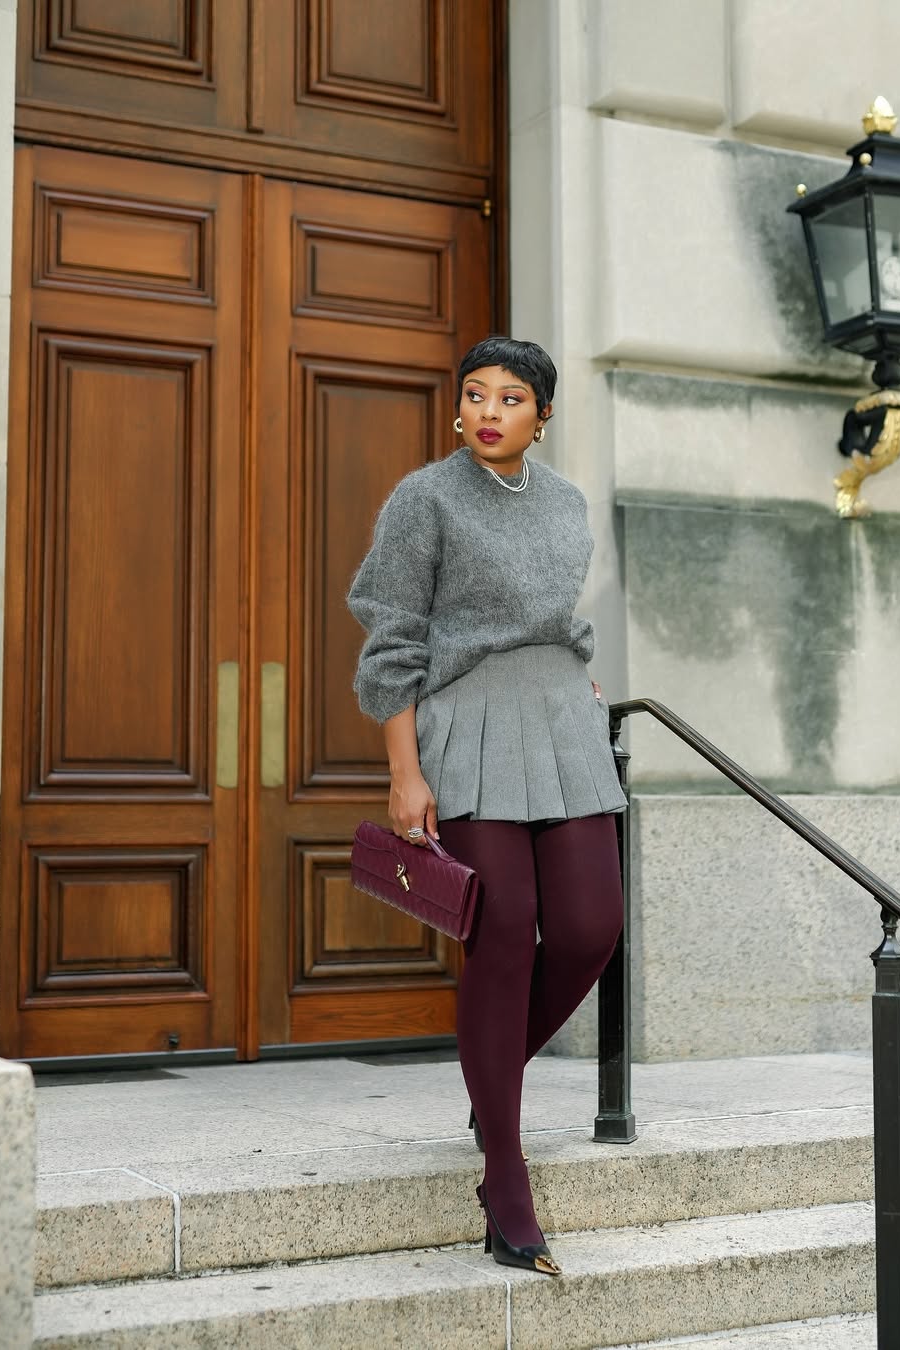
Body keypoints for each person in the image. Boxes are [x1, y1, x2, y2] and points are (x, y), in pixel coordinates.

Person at [348, 336, 626, 1277]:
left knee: (591, 929)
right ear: (458, 409)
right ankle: (504, 1188)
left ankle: (488, 1077)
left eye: (512, 397)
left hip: (562, 722)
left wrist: (579, 679)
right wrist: (403, 772)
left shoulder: (564, 501)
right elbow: (393, 640)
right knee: (503, 937)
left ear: (542, 416)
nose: (490, 410)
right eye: (475, 394)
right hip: (467, 727)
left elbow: (562, 615)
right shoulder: (424, 498)